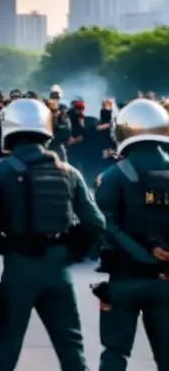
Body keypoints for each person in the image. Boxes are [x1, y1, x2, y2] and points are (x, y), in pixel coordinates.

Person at [0, 98, 106, 371]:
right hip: (58, 267)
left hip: (19, 266)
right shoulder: (69, 172)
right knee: (71, 348)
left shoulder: (2, 170)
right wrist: (72, 252)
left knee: (7, 346)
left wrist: (0, 244)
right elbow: (95, 222)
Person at [93, 98, 169, 370]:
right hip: (166, 280)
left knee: (114, 354)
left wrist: (144, 258)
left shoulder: (113, 175)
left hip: (125, 279)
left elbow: (105, 226)